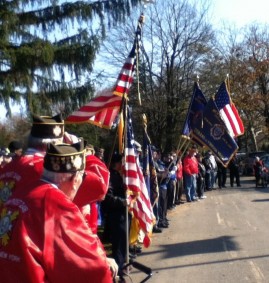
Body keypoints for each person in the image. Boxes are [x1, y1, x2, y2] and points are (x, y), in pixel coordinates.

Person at [0, 140, 118, 282]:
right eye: (83, 177)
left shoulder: (21, 192)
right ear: (75, 178)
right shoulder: (56, 203)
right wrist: (105, 265)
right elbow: (90, 265)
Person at [101, 153, 130, 281]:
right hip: (116, 215)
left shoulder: (120, 175)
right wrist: (122, 201)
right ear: (116, 163)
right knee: (118, 245)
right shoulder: (110, 176)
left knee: (123, 243)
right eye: (121, 162)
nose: (123, 165)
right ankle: (118, 273)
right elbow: (108, 198)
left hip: (123, 214)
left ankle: (122, 266)